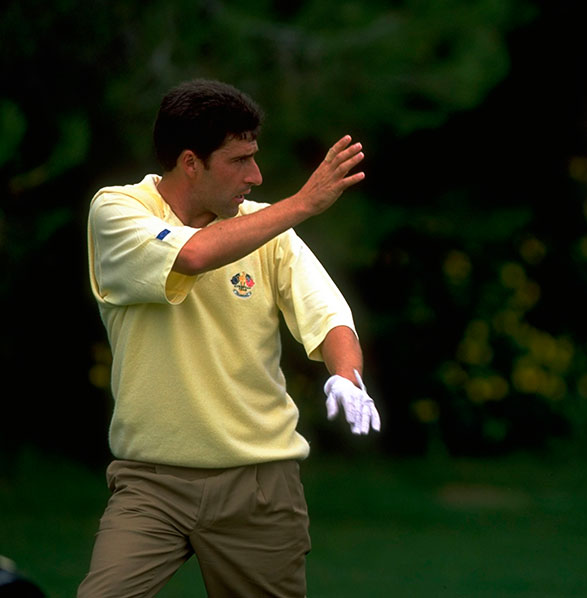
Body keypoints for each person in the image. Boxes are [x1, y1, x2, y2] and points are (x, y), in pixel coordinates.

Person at [79, 79, 381, 597]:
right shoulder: (117, 211)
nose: (256, 175)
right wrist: (304, 203)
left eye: (255, 158)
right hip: (150, 483)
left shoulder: (268, 229)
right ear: (191, 162)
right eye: (239, 160)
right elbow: (192, 254)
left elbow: (329, 315)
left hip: (260, 486)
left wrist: (348, 379)